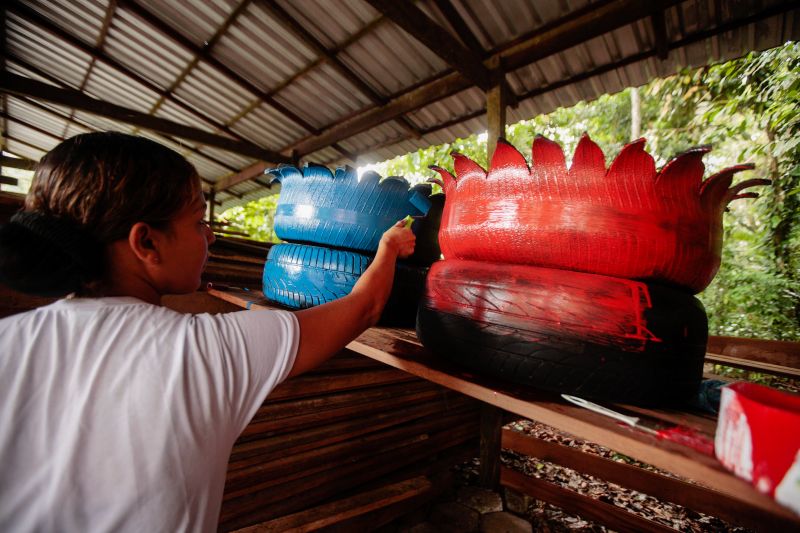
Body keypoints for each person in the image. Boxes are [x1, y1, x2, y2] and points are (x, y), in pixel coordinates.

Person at [0, 132, 415, 532]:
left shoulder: (9, 339)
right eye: (199, 221)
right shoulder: (209, 348)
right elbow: (364, 307)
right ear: (146, 242)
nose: (211, 235)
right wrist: (389, 247)